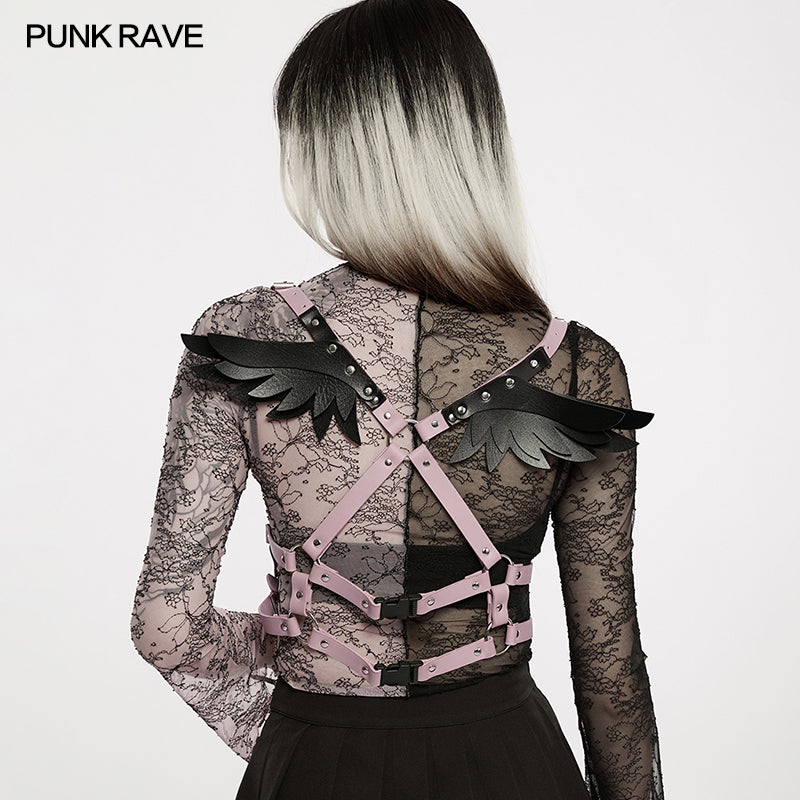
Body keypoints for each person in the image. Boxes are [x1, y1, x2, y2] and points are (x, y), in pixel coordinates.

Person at [130, 1, 665, 798]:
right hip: (510, 760)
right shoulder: (579, 366)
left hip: (317, 758)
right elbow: (609, 661)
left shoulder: (244, 334)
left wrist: (290, 666)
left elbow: (165, 629)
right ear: (474, 139)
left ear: (326, 148)